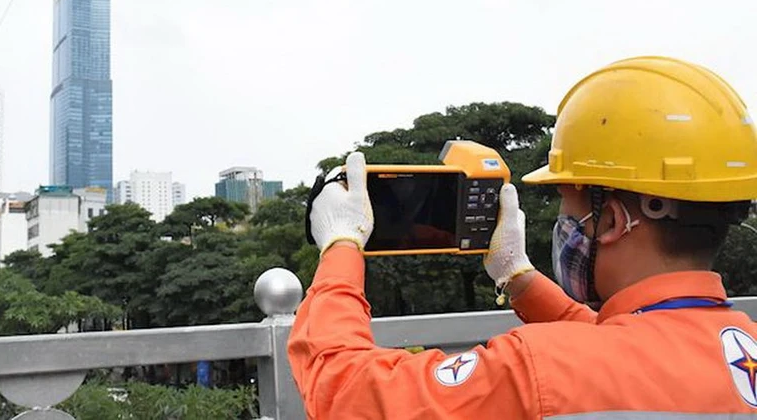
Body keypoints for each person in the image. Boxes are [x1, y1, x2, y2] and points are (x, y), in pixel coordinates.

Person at [288, 56, 757, 418]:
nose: (564, 226)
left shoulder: (539, 369)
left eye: (568, 208)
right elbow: (637, 346)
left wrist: (341, 247)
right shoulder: (743, 350)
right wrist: (518, 277)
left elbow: (344, 392)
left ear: (613, 222)